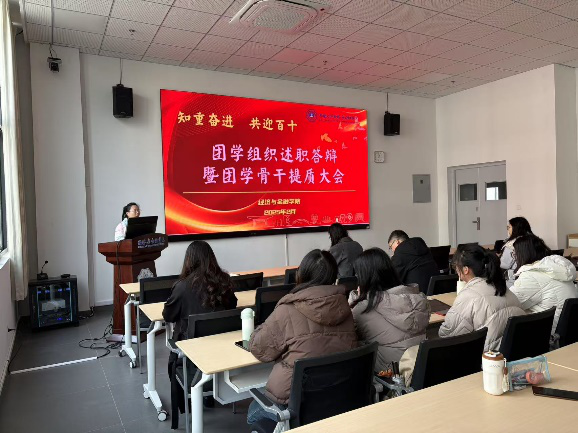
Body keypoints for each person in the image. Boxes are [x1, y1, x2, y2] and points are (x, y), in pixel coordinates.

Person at [247, 249, 357, 425]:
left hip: (293, 405)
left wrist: (261, 327)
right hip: (338, 397)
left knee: (253, 413)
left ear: (302, 274)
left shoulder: (287, 310)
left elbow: (259, 349)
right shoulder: (345, 308)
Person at [162, 240, 237, 428]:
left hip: (191, 352)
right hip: (221, 348)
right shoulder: (224, 281)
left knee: (173, 358)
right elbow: (233, 306)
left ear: (189, 260)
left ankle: (189, 402)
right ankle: (209, 395)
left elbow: (168, 316)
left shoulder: (182, 286)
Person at [349, 248, 430, 372]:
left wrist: (355, 300)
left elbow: (349, 335)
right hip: (420, 366)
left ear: (364, 277)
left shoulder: (363, 309)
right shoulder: (416, 298)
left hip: (390, 373)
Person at [439, 244, 525, 351]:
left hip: (487, 355)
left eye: (456, 267)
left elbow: (447, 333)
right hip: (516, 351)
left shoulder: (468, 295)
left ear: (465, 270)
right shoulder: (503, 287)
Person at [510, 234, 577, 333]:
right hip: (569, 330)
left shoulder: (531, 276)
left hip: (548, 333)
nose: (514, 258)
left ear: (523, 254)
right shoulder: (558, 268)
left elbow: (510, 303)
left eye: (515, 254)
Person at [500, 217, 532, 285]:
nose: (508, 229)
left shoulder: (512, 244)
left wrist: (496, 259)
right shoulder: (535, 241)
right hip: (531, 277)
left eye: (509, 227)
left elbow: (504, 265)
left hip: (515, 279)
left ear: (516, 228)